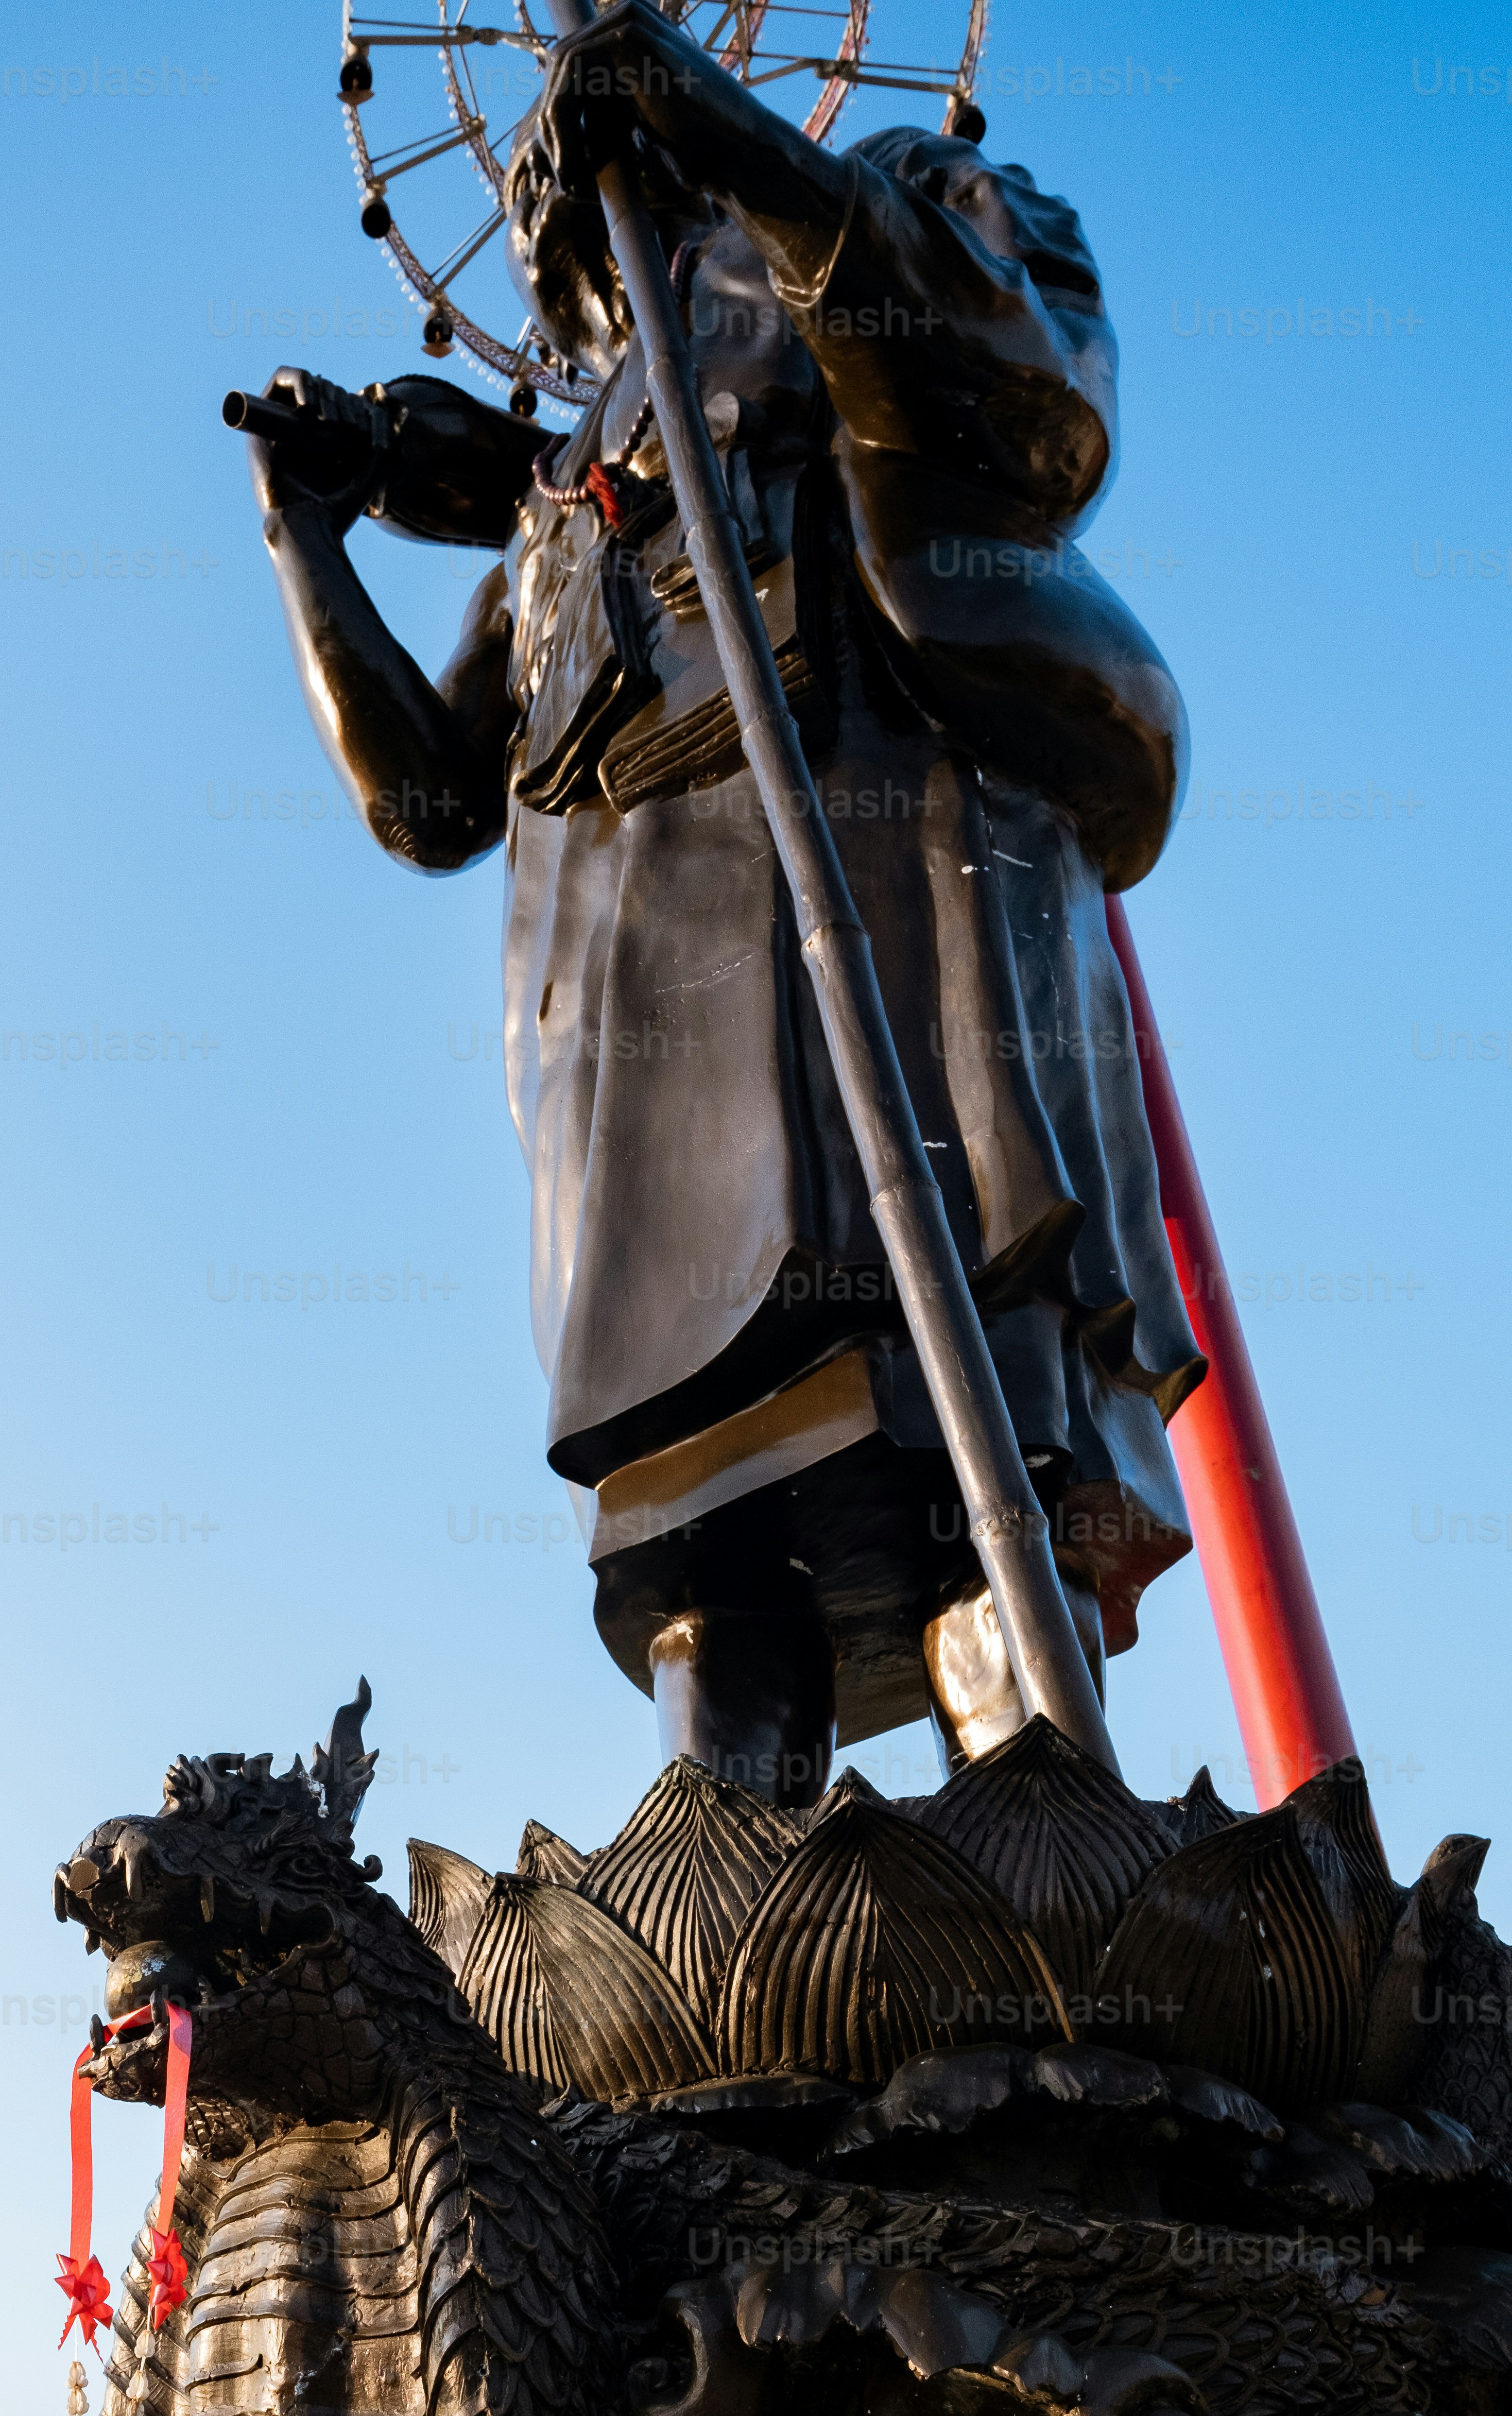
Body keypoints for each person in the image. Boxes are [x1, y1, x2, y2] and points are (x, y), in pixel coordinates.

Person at [238, 1, 1204, 1798]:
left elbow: (1041, 401)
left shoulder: (864, 216)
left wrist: (734, 139)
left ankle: (1057, 1901)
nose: (552, 196)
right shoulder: (562, 492)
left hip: (876, 937)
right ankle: (732, 1943)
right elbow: (434, 799)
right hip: (634, 1061)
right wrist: (307, 541)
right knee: (712, 1568)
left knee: (959, 1474)